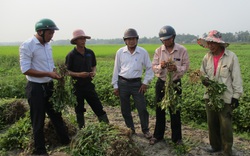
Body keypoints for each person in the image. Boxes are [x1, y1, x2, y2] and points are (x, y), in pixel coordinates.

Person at [19, 18, 70, 155]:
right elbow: (25, 69)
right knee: (38, 119)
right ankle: (40, 150)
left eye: (53, 33)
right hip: (35, 88)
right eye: (50, 33)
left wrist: (54, 73)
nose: (52, 36)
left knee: (56, 115)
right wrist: (48, 73)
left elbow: (49, 64)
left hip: (49, 85)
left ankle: (66, 142)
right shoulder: (28, 45)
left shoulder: (48, 45)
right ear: (40, 32)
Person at [198, 30, 243, 156]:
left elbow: (236, 77)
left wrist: (236, 96)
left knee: (226, 125)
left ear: (219, 43)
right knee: (212, 123)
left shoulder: (231, 57)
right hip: (210, 96)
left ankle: (227, 150)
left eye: (213, 43)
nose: (210, 45)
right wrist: (204, 80)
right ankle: (215, 146)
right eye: (209, 43)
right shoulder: (207, 57)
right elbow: (202, 73)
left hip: (225, 97)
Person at [150, 25, 190, 145]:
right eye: (163, 39)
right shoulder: (158, 51)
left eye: (168, 38)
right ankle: (158, 135)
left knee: (175, 110)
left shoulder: (182, 50)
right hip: (161, 83)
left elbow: (186, 67)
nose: (166, 41)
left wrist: (176, 68)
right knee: (159, 109)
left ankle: (177, 138)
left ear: (173, 37)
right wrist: (160, 66)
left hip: (175, 83)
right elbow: (153, 67)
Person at [111, 28, 154, 139]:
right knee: (125, 108)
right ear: (125, 41)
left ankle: (145, 130)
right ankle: (131, 129)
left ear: (137, 39)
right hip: (123, 83)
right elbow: (116, 69)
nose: (131, 41)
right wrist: (115, 85)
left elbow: (150, 68)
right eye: (128, 39)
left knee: (142, 108)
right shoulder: (120, 52)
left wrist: (145, 83)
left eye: (133, 39)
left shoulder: (142, 52)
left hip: (137, 84)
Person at [65, 29, 109, 129]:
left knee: (97, 106)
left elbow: (94, 65)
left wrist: (94, 72)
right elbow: (66, 71)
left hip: (88, 85)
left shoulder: (90, 53)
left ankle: (106, 127)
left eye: (84, 38)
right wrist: (79, 75)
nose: (83, 40)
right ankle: (81, 129)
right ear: (75, 41)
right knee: (79, 109)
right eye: (80, 39)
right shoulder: (71, 55)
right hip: (76, 87)